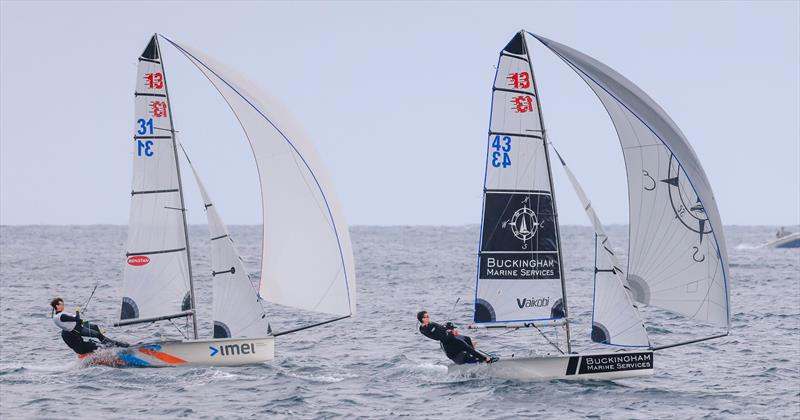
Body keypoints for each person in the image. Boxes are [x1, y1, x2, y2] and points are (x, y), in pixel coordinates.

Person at [50, 297, 128, 354]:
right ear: (57, 306)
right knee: (97, 334)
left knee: (95, 327)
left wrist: (80, 319)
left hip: (79, 326)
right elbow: (77, 318)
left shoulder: (60, 315)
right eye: (61, 304)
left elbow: (74, 319)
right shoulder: (60, 316)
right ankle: (112, 346)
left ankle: (109, 342)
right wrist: (77, 311)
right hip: (78, 329)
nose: (63, 305)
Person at [417, 310, 495, 364]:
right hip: (448, 340)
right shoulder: (426, 330)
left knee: (467, 339)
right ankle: (486, 359)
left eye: (428, 316)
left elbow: (441, 328)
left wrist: (447, 328)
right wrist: (451, 333)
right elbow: (441, 337)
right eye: (427, 316)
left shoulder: (430, 324)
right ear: (422, 319)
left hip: (449, 337)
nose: (428, 317)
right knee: (467, 347)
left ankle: (473, 353)